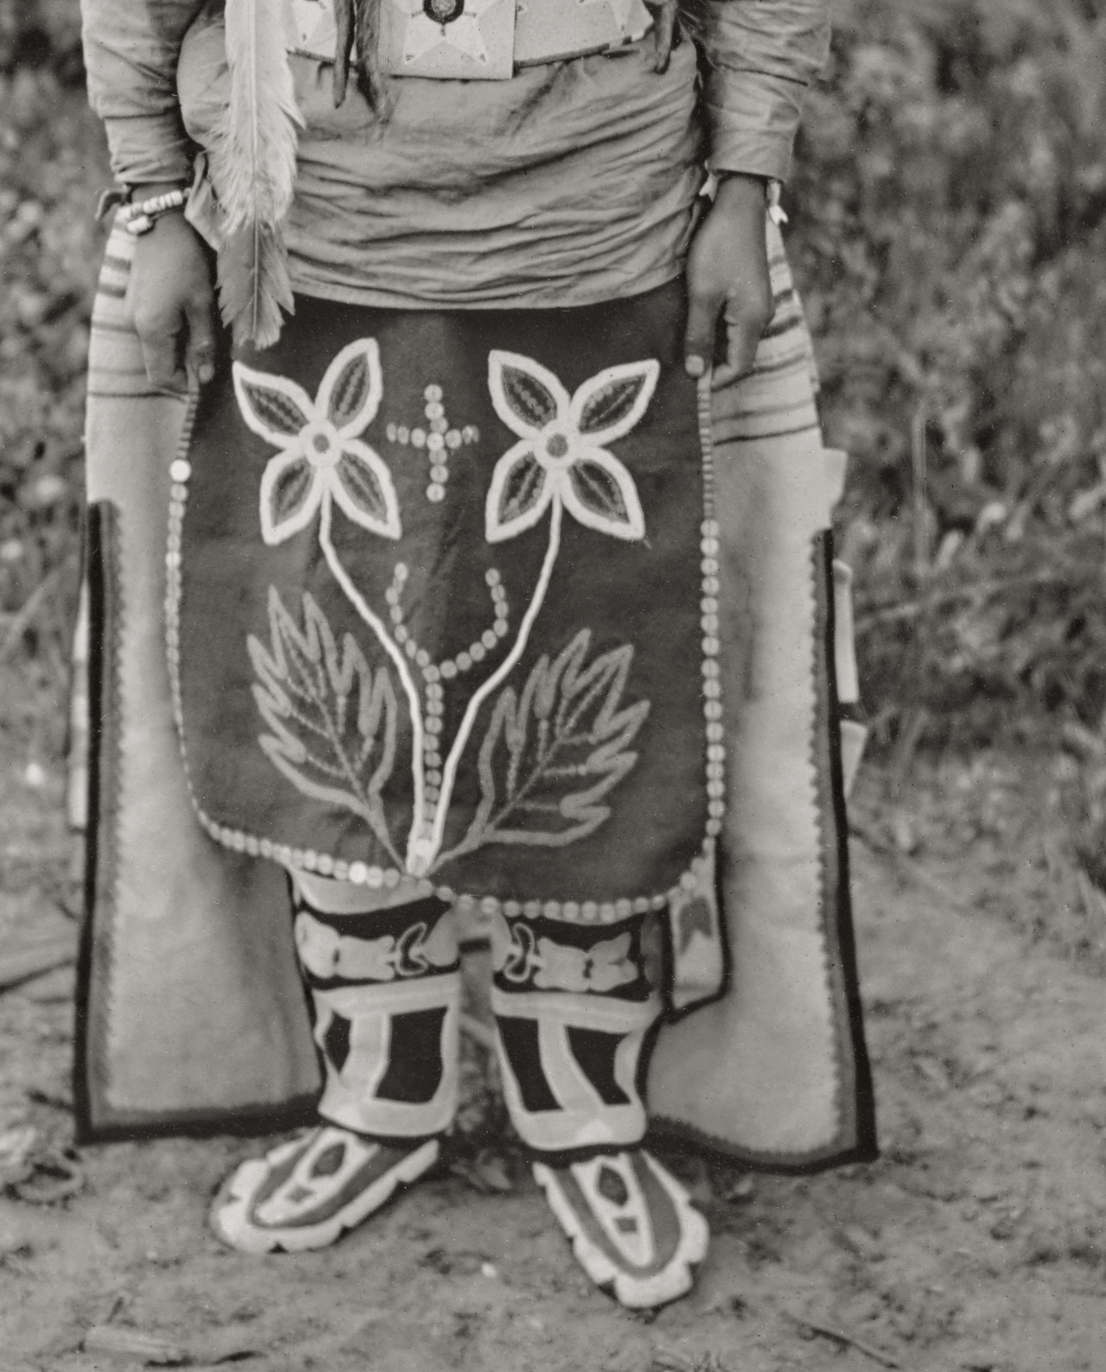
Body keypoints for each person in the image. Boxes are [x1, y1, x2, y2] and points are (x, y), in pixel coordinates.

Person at [76, 0, 875, 1311]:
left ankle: (584, 1111)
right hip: (300, 240)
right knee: (335, 676)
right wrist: (155, 201)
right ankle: (381, 1096)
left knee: (603, 667)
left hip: (610, 230)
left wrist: (744, 185)